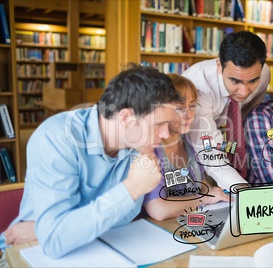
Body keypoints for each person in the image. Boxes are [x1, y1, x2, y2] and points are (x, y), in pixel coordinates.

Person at [0, 64, 182, 258]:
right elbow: (54, 241)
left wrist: (48, 228)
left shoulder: (139, 146)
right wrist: (131, 189)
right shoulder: (56, 137)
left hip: (94, 247)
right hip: (26, 252)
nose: (165, 134)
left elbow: (123, 218)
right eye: (159, 124)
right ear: (126, 118)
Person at [182, 30, 270, 190]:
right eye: (235, 80)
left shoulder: (263, 74)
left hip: (226, 135)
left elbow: (248, 114)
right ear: (219, 66)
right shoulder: (198, 86)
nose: (244, 92)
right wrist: (246, 193)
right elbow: (209, 155)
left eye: (252, 81)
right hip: (191, 143)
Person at [143, 74, 230, 221]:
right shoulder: (149, 150)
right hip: (157, 230)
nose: (189, 115)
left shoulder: (187, 139)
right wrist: (205, 199)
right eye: (180, 108)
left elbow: (199, 183)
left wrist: (220, 195)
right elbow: (158, 209)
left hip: (189, 220)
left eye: (192, 106)